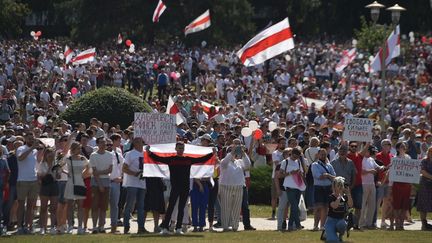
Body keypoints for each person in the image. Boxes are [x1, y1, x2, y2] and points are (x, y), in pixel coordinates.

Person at [147, 141, 215, 235]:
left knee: (181, 207)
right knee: (170, 207)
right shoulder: (171, 159)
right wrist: (149, 153)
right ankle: (165, 228)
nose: (181, 150)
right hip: (175, 187)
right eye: (179, 148)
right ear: (175, 149)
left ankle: (178, 228)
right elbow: (159, 158)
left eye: (182, 148)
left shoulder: (188, 159)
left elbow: (201, 159)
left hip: (185, 187)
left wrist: (212, 154)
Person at [16, 133, 44, 234]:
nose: (31, 139)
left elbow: (36, 164)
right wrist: (32, 147)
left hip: (33, 180)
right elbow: (20, 158)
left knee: (31, 205)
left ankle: (28, 226)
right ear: (25, 139)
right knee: (21, 205)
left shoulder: (35, 151)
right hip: (22, 180)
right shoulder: (21, 148)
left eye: (33, 138)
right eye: (29, 138)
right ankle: (19, 227)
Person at [219, 143, 251, 232]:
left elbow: (248, 165)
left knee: (236, 208)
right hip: (226, 187)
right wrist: (232, 151)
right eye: (230, 152)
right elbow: (225, 161)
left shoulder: (240, 162)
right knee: (226, 208)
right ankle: (225, 226)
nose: (233, 154)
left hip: (238, 187)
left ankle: (235, 226)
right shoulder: (223, 162)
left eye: (234, 152)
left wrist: (243, 153)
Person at [64, 142, 92, 235]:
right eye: (78, 148)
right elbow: (58, 166)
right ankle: (70, 226)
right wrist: (66, 172)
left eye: (80, 148)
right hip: (70, 182)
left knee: (80, 206)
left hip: (80, 182)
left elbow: (89, 168)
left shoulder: (83, 158)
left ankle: (80, 226)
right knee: (70, 206)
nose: (80, 150)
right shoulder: (68, 159)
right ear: (73, 149)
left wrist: (84, 174)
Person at [122, 137, 146, 234]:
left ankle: (141, 227)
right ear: (135, 143)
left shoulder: (145, 153)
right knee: (129, 205)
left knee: (141, 206)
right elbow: (124, 168)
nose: (140, 143)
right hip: (132, 183)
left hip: (142, 183)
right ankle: (126, 226)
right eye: (138, 142)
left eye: (141, 141)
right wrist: (134, 173)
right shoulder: (130, 154)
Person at [279, 147, 306, 231]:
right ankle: (297, 224)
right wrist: (291, 173)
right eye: (294, 156)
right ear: (291, 154)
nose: (295, 158)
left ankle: (290, 225)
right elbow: (280, 175)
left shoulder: (298, 161)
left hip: (298, 186)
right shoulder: (285, 161)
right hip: (289, 186)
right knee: (294, 206)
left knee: (294, 207)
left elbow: (303, 172)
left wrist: (300, 173)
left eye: (297, 156)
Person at [90, 137, 113, 234]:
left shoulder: (109, 155)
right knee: (95, 205)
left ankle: (102, 226)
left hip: (106, 181)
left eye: (105, 143)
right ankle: (94, 226)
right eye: (101, 143)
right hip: (96, 182)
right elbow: (94, 172)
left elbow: (110, 170)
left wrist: (99, 172)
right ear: (97, 144)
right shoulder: (93, 155)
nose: (104, 144)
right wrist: (99, 184)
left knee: (103, 206)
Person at [359, 145, 384, 230]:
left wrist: (384, 167)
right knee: (362, 204)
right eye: (370, 152)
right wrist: (370, 171)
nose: (371, 154)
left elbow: (378, 167)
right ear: (366, 151)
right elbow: (360, 172)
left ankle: (369, 223)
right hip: (363, 184)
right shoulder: (361, 159)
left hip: (371, 184)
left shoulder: (371, 159)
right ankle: (361, 223)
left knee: (372, 205)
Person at [311, 148, 336, 231]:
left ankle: (322, 226)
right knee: (318, 207)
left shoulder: (329, 165)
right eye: (322, 154)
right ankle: (315, 225)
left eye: (325, 154)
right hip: (319, 187)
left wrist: (327, 175)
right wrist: (327, 175)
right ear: (318, 155)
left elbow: (334, 177)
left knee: (325, 207)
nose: (323, 156)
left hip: (328, 188)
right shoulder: (314, 165)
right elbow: (318, 176)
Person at [389, 142, 412, 230]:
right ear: (398, 148)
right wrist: (390, 187)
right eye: (402, 146)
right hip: (397, 185)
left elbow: (411, 172)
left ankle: (401, 224)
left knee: (404, 206)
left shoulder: (408, 158)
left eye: (405, 146)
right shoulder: (394, 158)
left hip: (406, 185)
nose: (404, 147)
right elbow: (391, 173)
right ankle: (396, 223)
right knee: (396, 206)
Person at [37, 147, 60, 235]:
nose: (50, 156)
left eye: (52, 155)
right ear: (45, 155)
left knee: (54, 208)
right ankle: (43, 227)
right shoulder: (42, 164)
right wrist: (49, 168)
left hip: (54, 185)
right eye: (49, 155)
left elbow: (58, 177)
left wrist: (57, 172)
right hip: (45, 185)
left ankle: (52, 227)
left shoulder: (56, 164)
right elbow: (40, 177)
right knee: (43, 207)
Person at [324, 176, 353, 243]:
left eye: (341, 185)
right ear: (334, 187)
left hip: (340, 220)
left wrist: (348, 194)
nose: (340, 187)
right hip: (330, 221)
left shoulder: (345, 196)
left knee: (342, 224)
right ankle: (327, 233)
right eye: (338, 185)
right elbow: (334, 206)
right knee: (333, 240)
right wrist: (339, 196)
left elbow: (351, 205)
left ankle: (340, 236)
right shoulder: (331, 197)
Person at [108, 134, 124, 234]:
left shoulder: (119, 151)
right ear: (113, 141)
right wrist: (111, 178)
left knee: (115, 204)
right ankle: (99, 226)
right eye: (118, 140)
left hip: (117, 181)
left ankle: (114, 225)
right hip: (108, 180)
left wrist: (121, 177)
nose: (120, 142)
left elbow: (121, 166)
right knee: (103, 205)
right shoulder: (107, 151)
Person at [275, 148, 292, 231]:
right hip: (283, 189)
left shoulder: (296, 164)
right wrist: (278, 189)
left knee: (293, 208)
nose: (291, 156)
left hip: (293, 189)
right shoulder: (280, 165)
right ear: (284, 155)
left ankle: (293, 225)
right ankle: (279, 225)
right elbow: (276, 178)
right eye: (289, 154)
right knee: (282, 207)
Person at [417, 147, 432, 231]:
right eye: (430, 151)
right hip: (425, 185)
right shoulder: (424, 161)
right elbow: (422, 171)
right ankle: (424, 224)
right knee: (423, 205)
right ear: (428, 152)